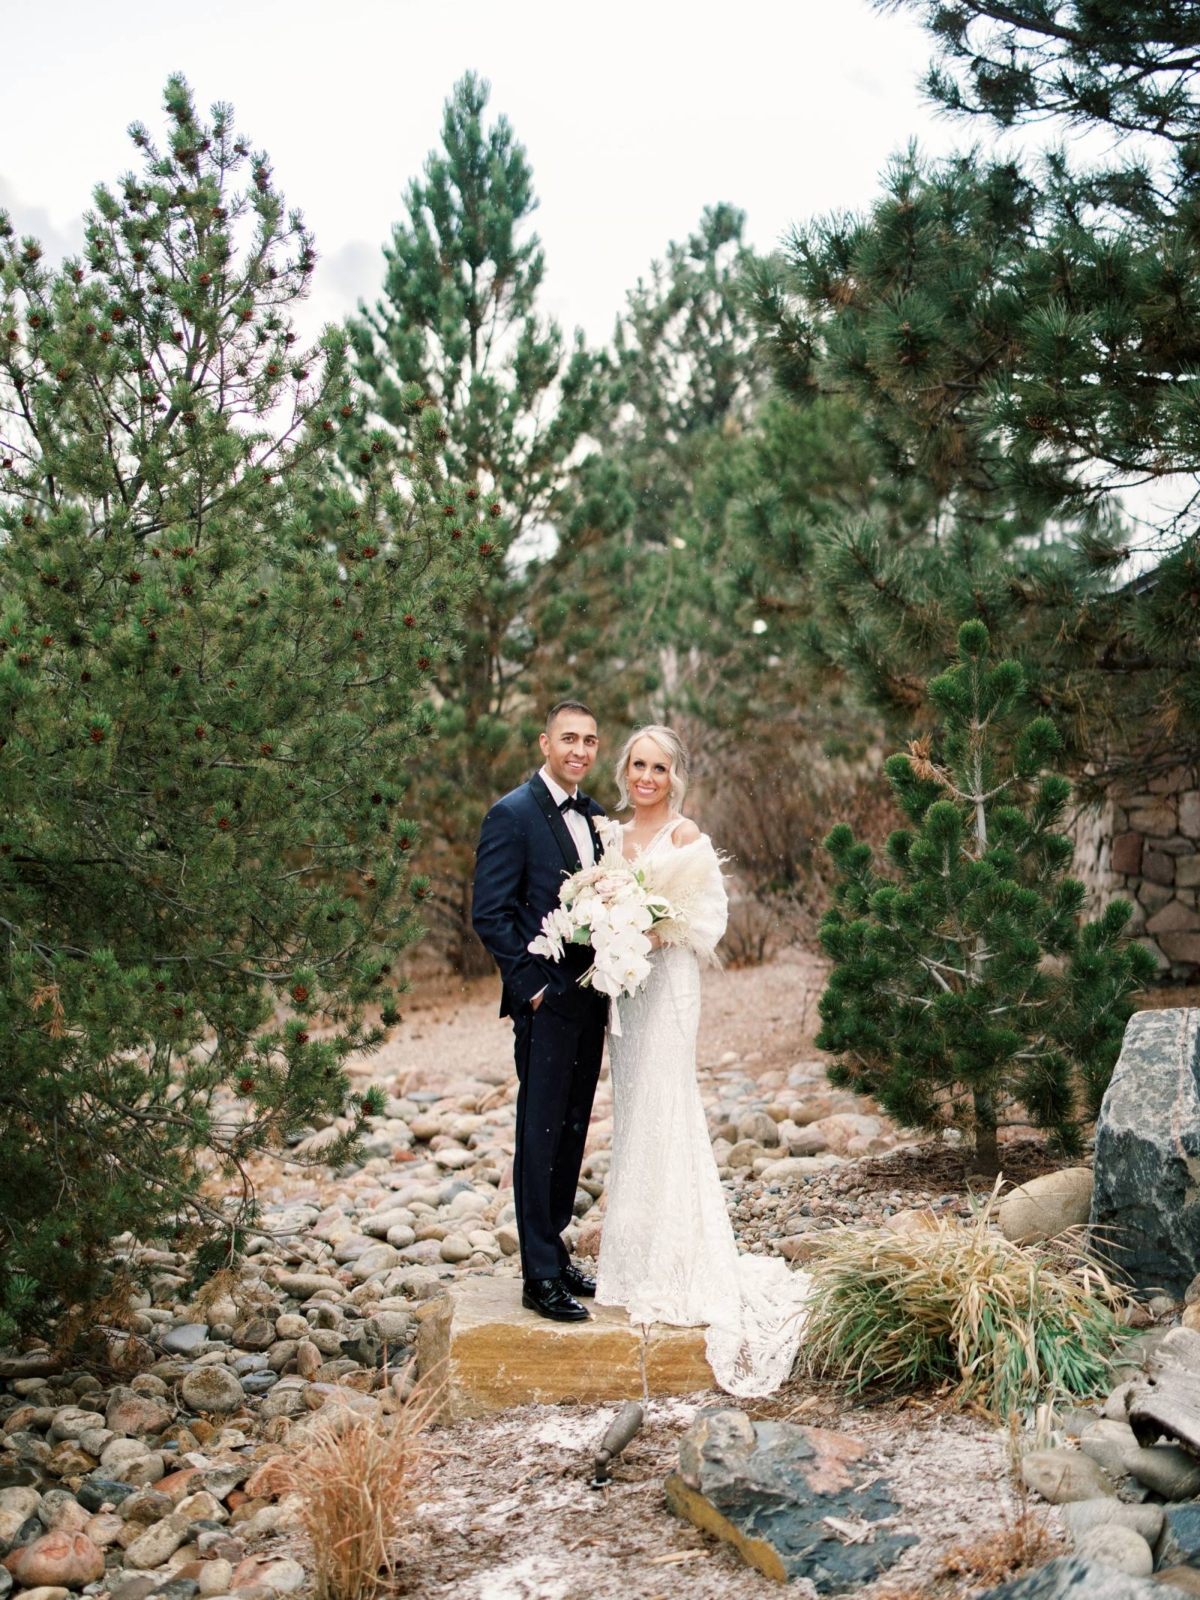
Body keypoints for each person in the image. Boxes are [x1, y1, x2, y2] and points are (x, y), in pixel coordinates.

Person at [594, 724, 811, 1395]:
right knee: (633, 1112)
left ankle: (680, 1264)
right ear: (625, 770)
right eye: (638, 765)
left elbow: (705, 921)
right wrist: (606, 926)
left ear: (675, 776)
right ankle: (632, 1265)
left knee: (669, 1105)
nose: (647, 778)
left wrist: (648, 927)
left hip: (669, 988)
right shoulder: (609, 837)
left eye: (659, 768)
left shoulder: (688, 839)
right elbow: (593, 900)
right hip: (625, 991)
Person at [471, 702, 608, 1323]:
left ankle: (554, 1250)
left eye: (589, 741)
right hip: (545, 1004)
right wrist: (531, 989)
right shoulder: (512, 813)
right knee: (540, 1131)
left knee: (574, 1127)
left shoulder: (598, 817)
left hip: (592, 997)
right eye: (568, 739)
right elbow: (490, 914)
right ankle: (538, 1276)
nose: (579, 750)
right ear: (545, 742)